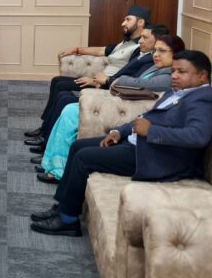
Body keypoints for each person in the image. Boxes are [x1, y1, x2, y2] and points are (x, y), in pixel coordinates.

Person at [30, 50, 212, 237]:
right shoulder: (178, 92)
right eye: (173, 71)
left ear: (202, 76)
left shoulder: (203, 99)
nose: (174, 76)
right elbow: (145, 118)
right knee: (78, 146)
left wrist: (151, 132)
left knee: (84, 158)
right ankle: (63, 206)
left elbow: (198, 136)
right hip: (139, 145)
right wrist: (118, 132)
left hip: (156, 157)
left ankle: (68, 220)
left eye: (182, 72)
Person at [36, 34, 184, 183]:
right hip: (117, 101)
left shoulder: (169, 75)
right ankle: (51, 164)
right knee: (68, 108)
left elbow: (138, 83)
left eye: (162, 51)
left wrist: (111, 80)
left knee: (70, 111)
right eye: (155, 50)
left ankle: (57, 169)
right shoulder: (155, 66)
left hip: (125, 110)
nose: (156, 54)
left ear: (176, 54)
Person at [27, 24, 167, 157]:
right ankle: (45, 132)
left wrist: (103, 82)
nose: (141, 40)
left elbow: (133, 81)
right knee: (59, 85)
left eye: (145, 37)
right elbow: (104, 51)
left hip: (110, 92)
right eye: (141, 37)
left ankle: (46, 142)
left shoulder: (150, 61)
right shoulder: (134, 48)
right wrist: (78, 50)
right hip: (106, 84)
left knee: (63, 95)